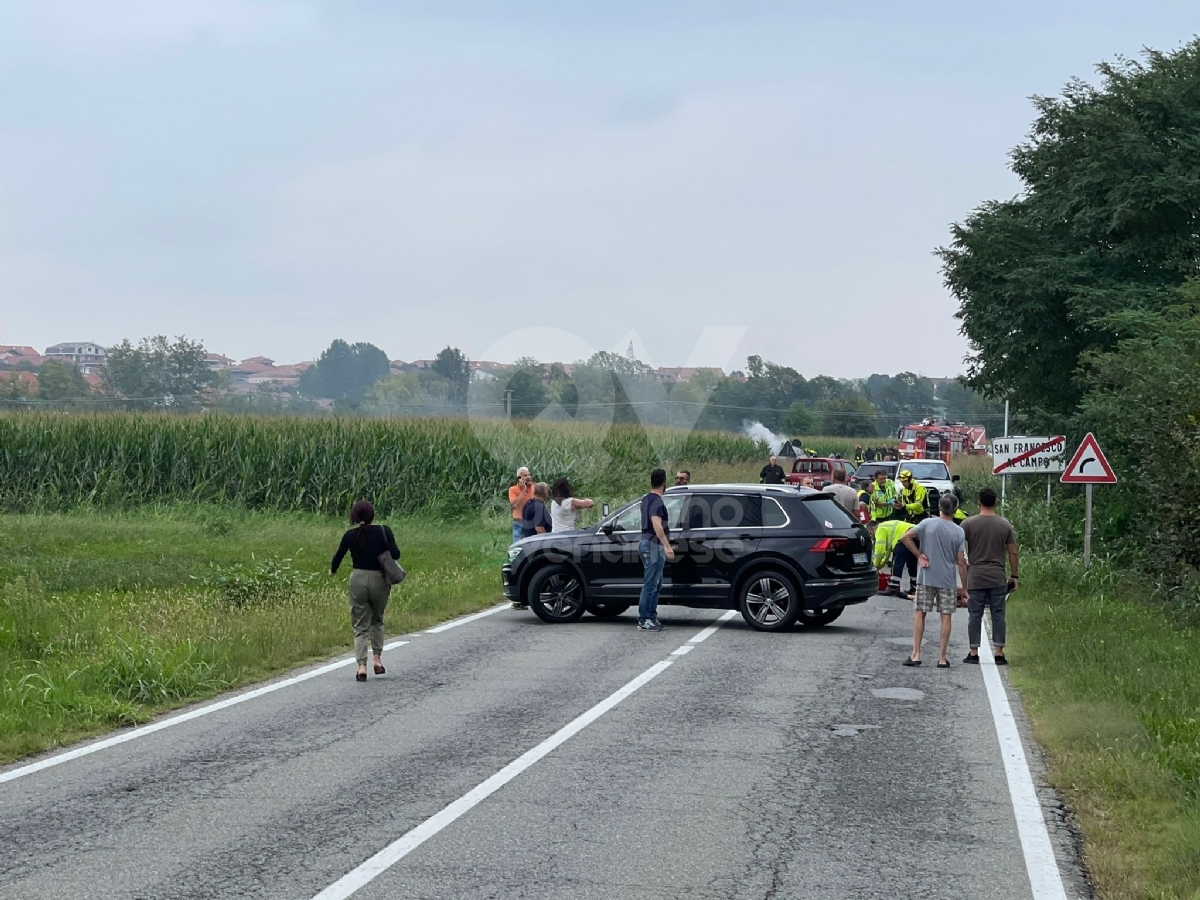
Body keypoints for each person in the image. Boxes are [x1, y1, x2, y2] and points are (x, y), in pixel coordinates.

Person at [330, 500, 400, 682]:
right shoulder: (384, 531)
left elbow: (338, 557)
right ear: (372, 515)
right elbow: (396, 554)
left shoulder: (349, 535)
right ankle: (377, 660)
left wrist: (332, 570)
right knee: (377, 620)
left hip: (357, 579)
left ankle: (361, 666)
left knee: (360, 626)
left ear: (354, 516)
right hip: (379, 579)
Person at [900, 494, 969, 668]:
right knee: (946, 616)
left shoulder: (926, 524)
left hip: (926, 576)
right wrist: (965, 587)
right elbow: (961, 562)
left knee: (920, 612)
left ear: (939, 507)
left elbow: (905, 537)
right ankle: (942, 658)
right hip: (946, 579)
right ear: (955, 509)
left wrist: (919, 554)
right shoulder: (958, 531)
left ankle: (916, 654)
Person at [961, 487, 1019, 665]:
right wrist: (1014, 575)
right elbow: (1012, 552)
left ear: (979, 502)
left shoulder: (968, 524)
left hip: (976, 576)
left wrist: (964, 565)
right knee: (998, 614)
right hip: (997, 576)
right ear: (995, 503)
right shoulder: (1005, 525)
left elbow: (958, 548)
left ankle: (973, 652)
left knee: (975, 614)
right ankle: (999, 652)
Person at [637, 468, 675, 631]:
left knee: (656, 584)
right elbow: (656, 525)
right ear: (664, 483)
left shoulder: (646, 499)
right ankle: (644, 619)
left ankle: (651, 616)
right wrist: (667, 545)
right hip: (653, 545)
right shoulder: (657, 502)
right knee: (651, 584)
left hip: (647, 543)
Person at [873, 518, 916, 599]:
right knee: (912, 563)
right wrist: (880, 566)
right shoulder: (887, 526)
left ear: (873, 529)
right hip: (916, 534)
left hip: (905, 537)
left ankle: (893, 587)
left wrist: (875, 565)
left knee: (897, 561)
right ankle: (914, 588)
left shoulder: (880, 529)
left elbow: (880, 551)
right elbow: (887, 553)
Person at [508, 467, 534, 543]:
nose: (529, 477)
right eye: (525, 475)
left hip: (531, 522)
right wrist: (523, 490)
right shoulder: (513, 489)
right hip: (519, 522)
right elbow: (514, 505)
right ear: (519, 478)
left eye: (529, 475)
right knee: (517, 547)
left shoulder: (534, 487)